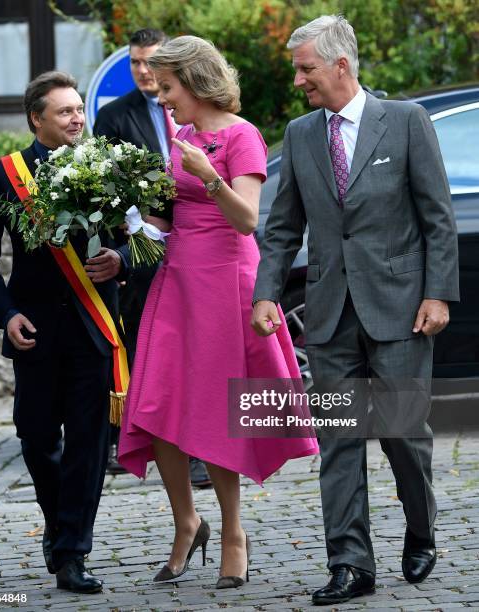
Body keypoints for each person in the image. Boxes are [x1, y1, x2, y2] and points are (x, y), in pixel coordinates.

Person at [251, 15, 459, 606]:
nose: (298, 80)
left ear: (341, 66)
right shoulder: (299, 134)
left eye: (305, 68)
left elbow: (437, 218)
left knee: (402, 435)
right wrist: (267, 291)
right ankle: (350, 564)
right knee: (339, 441)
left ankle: (421, 529)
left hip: (400, 310)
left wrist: (437, 292)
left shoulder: (407, 123)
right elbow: (284, 225)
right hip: (329, 312)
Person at [118, 35, 319, 589]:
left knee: (215, 410)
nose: (161, 99)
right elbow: (172, 216)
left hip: (224, 285)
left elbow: (248, 218)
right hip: (177, 280)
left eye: (168, 87)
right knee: (155, 403)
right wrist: (129, 221)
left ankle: (233, 532)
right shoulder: (182, 134)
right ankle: (187, 522)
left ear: (196, 81)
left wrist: (209, 174)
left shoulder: (243, 135)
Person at [0, 71, 132, 594]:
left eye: (79, 109)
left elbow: (143, 239)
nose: (77, 119)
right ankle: (61, 522)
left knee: (88, 444)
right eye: (65, 112)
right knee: (37, 438)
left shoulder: (108, 167)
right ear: (37, 118)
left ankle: (71, 553)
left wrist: (120, 259)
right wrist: (6, 313)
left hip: (91, 328)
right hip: (34, 330)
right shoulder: (4, 175)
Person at [93, 28, 211, 487]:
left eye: (153, 64)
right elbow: (103, 187)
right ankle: (144, 440)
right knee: (147, 348)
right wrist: (123, 254)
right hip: (143, 243)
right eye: (136, 63)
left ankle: (200, 445)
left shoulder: (201, 119)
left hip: (200, 245)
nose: (144, 72)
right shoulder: (114, 115)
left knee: (196, 351)